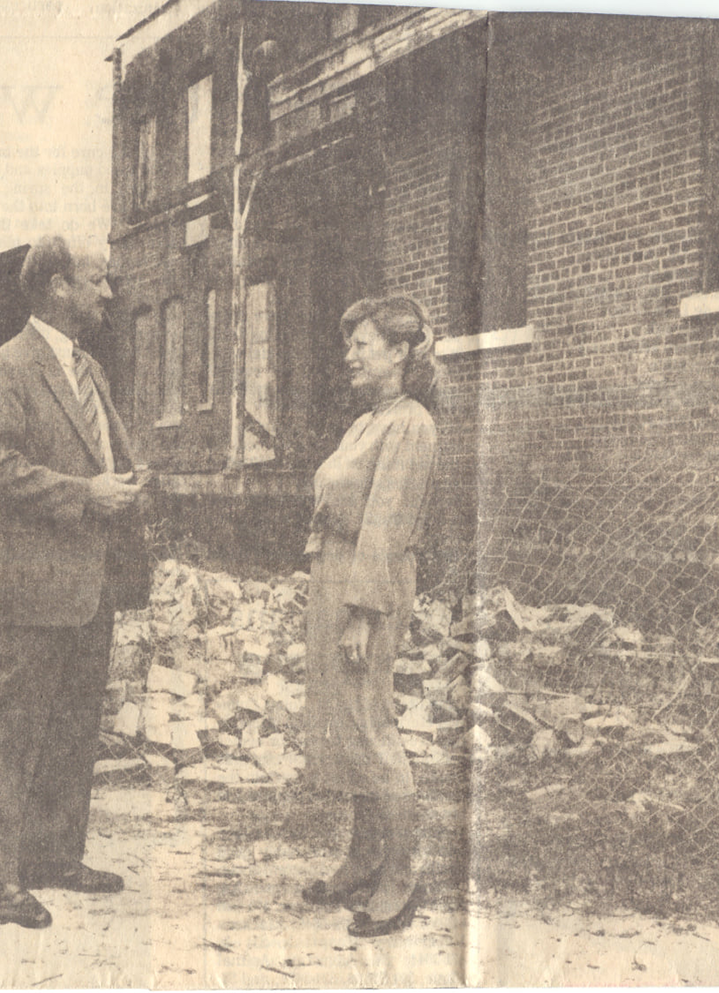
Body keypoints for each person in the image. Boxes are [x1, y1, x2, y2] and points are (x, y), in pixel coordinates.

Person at [0, 236, 150, 929]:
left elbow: (104, 449)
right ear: (58, 286)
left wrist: (130, 477)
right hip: (34, 583)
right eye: (97, 281)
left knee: (73, 724)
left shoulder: (88, 365)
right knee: (13, 727)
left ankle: (52, 855)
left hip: (90, 581)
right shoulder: (1, 366)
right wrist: (85, 495)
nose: (108, 293)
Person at [300, 296, 439, 938]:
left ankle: (399, 876)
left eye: (363, 344)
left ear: (400, 352)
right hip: (340, 578)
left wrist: (360, 613)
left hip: (370, 587)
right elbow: (335, 498)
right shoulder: (367, 421)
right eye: (350, 343)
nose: (349, 354)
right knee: (345, 721)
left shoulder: (409, 423)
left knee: (370, 721)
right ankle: (361, 858)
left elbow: (384, 525)